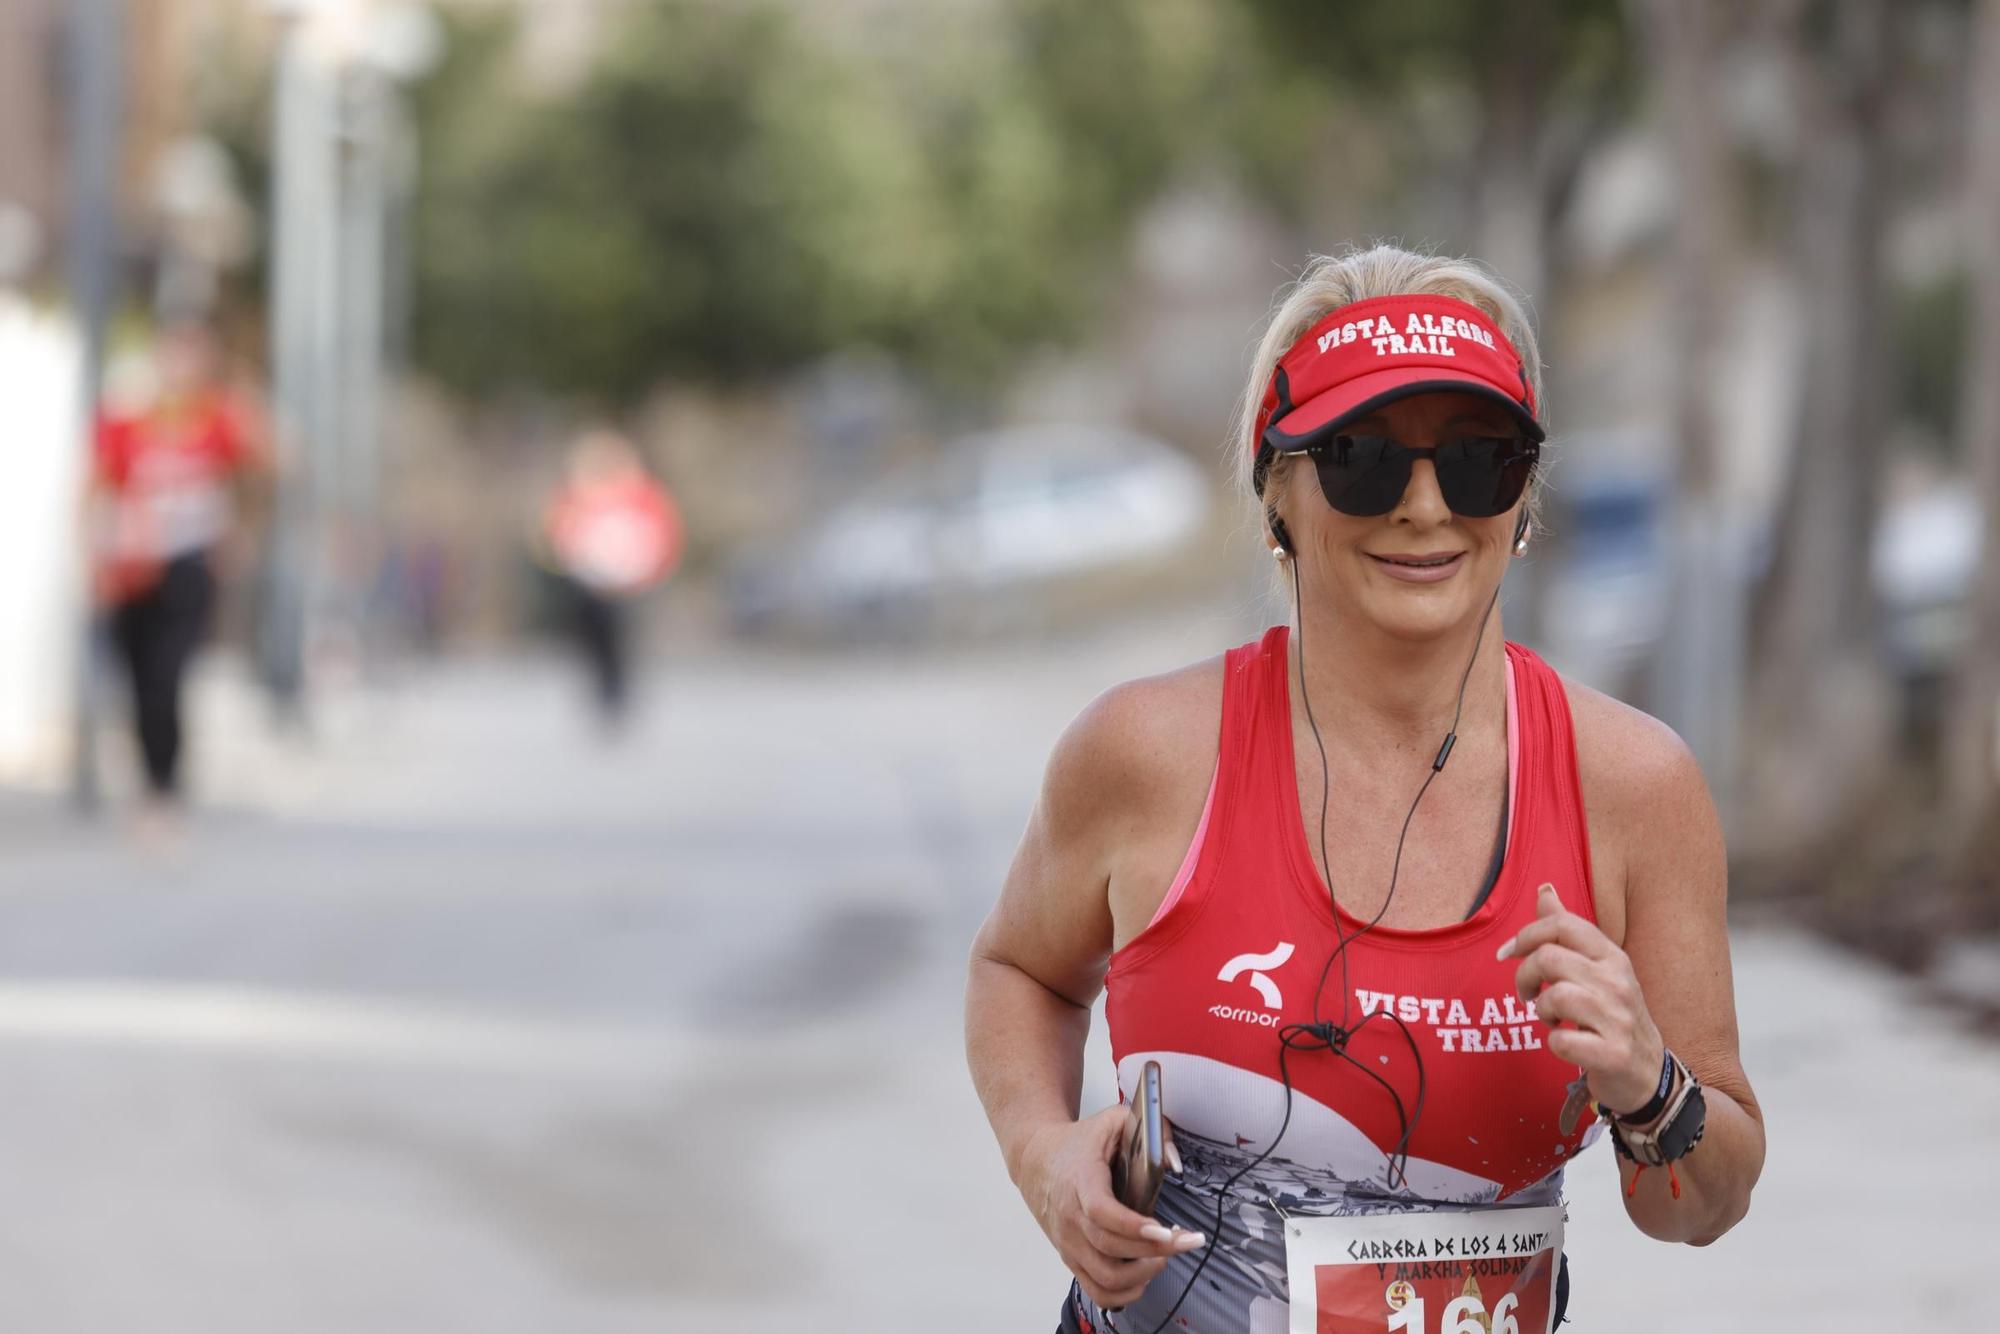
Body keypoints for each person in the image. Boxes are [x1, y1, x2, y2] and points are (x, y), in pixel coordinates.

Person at [965, 245, 1765, 1332]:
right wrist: (1042, 1154)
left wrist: (1648, 1083)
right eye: (1360, 457)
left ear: (1522, 497)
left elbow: (1700, 1206)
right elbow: (1020, 968)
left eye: (1479, 458)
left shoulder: (1631, 785)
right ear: (1275, 493)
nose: (1425, 506)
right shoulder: (1143, 752)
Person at [90, 321, 266, 824]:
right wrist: (93, 560)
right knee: (137, 679)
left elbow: (272, 464)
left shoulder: (219, 419)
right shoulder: (129, 422)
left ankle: (164, 789)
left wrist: (241, 531)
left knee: (169, 675)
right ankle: (148, 778)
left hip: (188, 565)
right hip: (132, 566)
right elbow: (95, 489)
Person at [538, 429, 682, 724]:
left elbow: (663, 532)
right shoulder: (580, 495)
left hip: (630, 579)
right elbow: (559, 529)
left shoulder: (642, 495)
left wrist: (654, 568)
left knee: (620, 635)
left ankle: (617, 689)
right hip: (588, 578)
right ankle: (603, 686)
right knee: (593, 635)